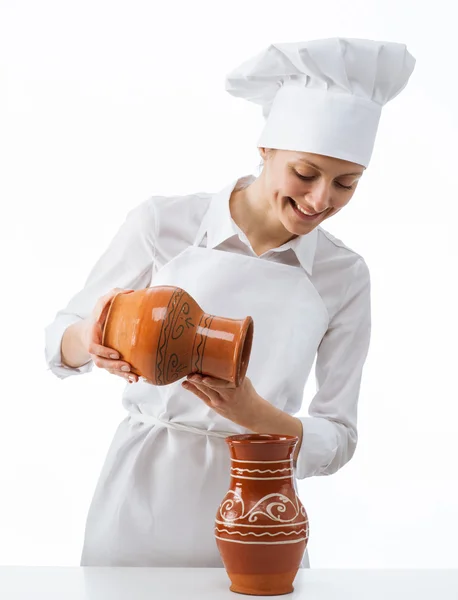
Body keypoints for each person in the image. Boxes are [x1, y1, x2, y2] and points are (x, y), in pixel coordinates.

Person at [44, 38, 416, 568]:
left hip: (261, 502)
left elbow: (339, 436)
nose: (320, 201)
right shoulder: (163, 224)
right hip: (138, 496)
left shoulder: (344, 275)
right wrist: (93, 337)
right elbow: (57, 343)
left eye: (346, 184)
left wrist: (254, 413)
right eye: (305, 173)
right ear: (265, 149)